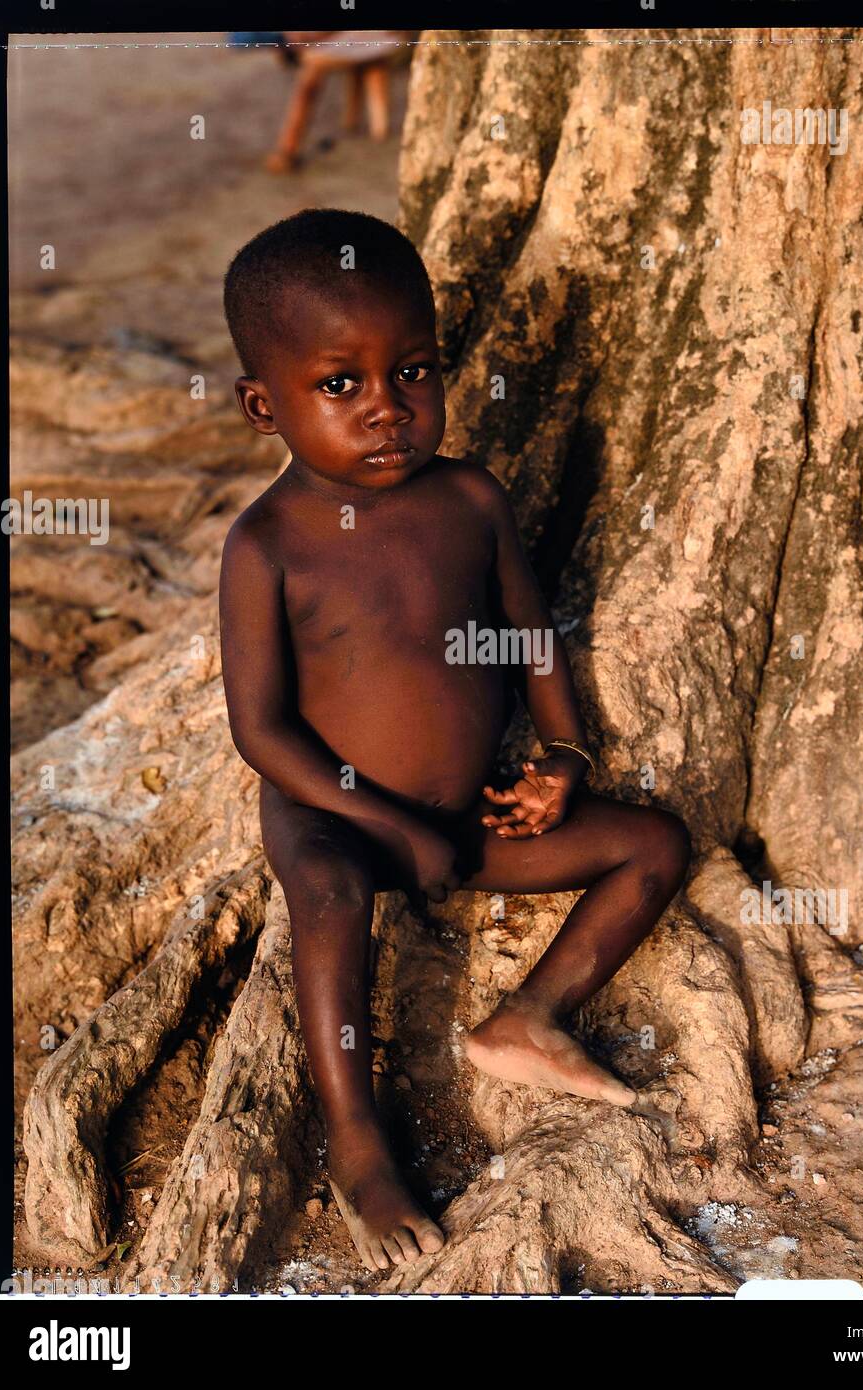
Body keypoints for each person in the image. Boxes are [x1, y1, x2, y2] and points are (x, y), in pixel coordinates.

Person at [219, 209, 691, 1272]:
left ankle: (528, 1018)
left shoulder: (468, 497)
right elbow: (263, 734)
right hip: (335, 821)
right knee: (334, 902)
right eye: (339, 385)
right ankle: (357, 1147)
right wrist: (381, 820)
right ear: (263, 403)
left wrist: (564, 761)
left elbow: (532, 636)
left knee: (653, 844)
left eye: (414, 373)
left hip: (460, 818)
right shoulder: (265, 546)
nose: (387, 410)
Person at [227, 31, 409, 173]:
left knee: (309, 75)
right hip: (375, 37)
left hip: (357, 39)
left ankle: (287, 151)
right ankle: (369, 127)